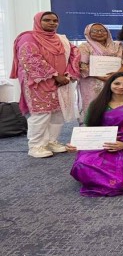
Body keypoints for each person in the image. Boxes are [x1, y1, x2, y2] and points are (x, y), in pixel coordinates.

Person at [11, 12, 80, 158]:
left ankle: (51, 142)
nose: (52, 23)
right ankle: (36, 146)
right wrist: (55, 75)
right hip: (38, 82)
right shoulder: (28, 37)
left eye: (55, 20)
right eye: (47, 20)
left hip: (61, 82)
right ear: (38, 21)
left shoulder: (60, 39)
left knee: (57, 113)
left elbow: (75, 53)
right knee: (41, 114)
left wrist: (68, 74)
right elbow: (30, 59)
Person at [78, 23, 123, 119]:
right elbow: (82, 66)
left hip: (117, 80)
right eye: (95, 31)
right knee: (95, 108)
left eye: (102, 30)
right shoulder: (84, 47)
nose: (99, 33)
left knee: (118, 105)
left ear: (107, 32)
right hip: (94, 83)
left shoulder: (118, 45)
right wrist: (102, 77)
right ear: (88, 33)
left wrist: (117, 74)